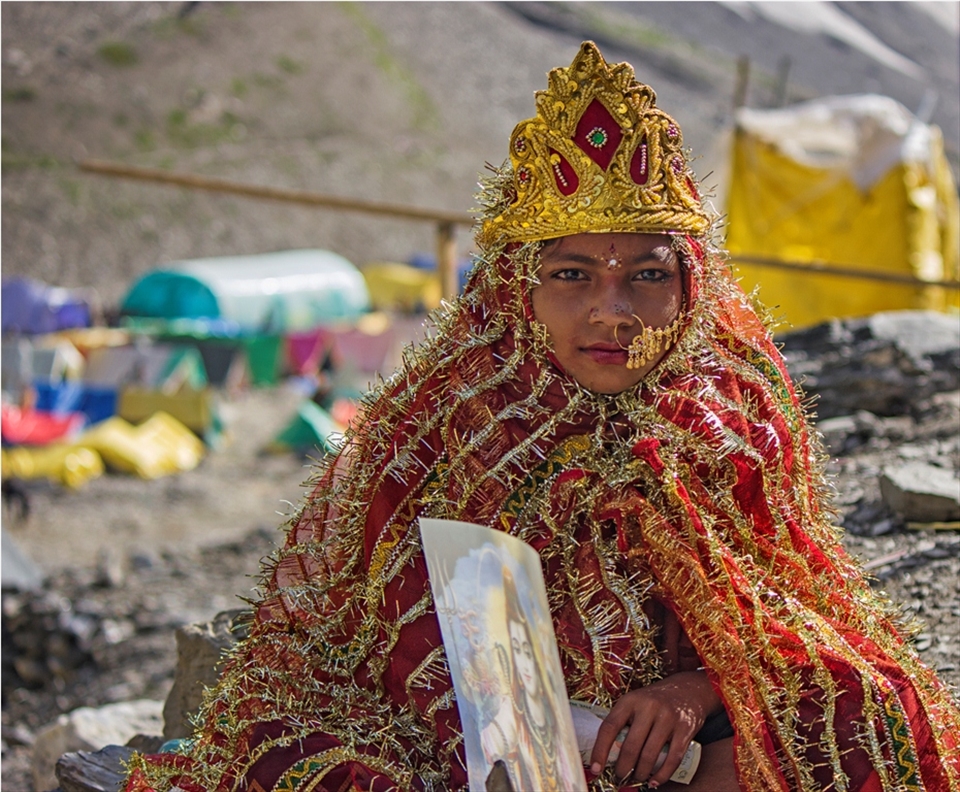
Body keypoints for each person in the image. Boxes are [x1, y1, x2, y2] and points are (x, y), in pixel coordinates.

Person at [125, 42, 960, 792]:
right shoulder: (438, 426)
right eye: (570, 276)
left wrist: (691, 692)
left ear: (691, 284)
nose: (611, 313)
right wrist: (530, 737)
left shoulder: (734, 410)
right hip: (468, 746)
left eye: (646, 275)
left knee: (868, 709)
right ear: (517, 290)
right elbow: (374, 652)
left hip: (682, 742)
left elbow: (793, 609)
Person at [480, 567, 577, 792]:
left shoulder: (558, 716)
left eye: (526, 648)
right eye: (515, 649)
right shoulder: (501, 724)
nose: (523, 660)